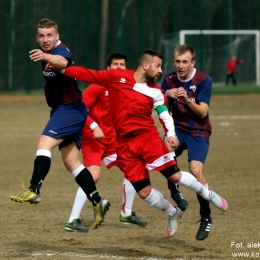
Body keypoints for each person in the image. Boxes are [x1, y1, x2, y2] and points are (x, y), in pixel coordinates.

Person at [59, 49, 228, 237]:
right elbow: (87, 73)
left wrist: (171, 133)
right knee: (144, 192)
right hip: (123, 145)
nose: (160, 71)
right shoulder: (116, 77)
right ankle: (172, 212)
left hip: (148, 139)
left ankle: (207, 194)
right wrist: (62, 69)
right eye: (157, 66)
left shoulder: (156, 91)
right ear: (146, 65)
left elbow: (164, 113)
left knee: (175, 176)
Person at [9, 18, 110, 230]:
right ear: (37, 38)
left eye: (50, 35)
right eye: (42, 36)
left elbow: (64, 62)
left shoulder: (61, 51)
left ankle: (34, 189)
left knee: (43, 145)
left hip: (69, 110)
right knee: (71, 162)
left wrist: (46, 56)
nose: (46, 39)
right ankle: (97, 201)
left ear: (57, 36)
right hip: (65, 110)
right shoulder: (48, 52)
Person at [65, 52, 147, 232]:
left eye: (122, 65)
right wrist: (94, 126)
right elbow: (80, 109)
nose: (119, 67)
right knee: (93, 175)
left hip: (113, 141)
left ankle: (126, 214)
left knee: (134, 167)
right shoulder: (98, 86)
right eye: (115, 64)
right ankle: (73, 219)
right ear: (108, 68)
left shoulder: (128, 88)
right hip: (93, 138)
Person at [161, 44, 218, 241]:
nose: (180, 65)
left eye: (185, 61)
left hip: (199, 131)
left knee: (195, 171)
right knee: (164, 152)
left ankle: (206, 216)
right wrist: (164, 96)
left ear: (192, 62)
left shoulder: (203, 80)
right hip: (178, 129)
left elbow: (203, 112)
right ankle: (174, 191)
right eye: (177, 61)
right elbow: (160, 107)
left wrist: (186, 99)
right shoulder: (168, 79)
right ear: (173, 61)